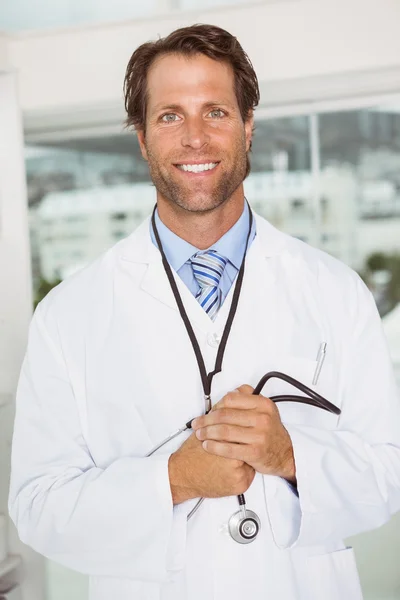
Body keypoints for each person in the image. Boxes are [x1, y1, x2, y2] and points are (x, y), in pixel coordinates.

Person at [8, 23, 400, 600]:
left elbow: (387, 480)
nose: (195, 136)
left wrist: (290, 455)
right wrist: (173, 479)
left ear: (248, 127)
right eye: (170, 115)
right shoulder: (69, 314)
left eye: (215, 111)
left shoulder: (336, 293)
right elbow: (38, 507)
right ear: (142, 137)